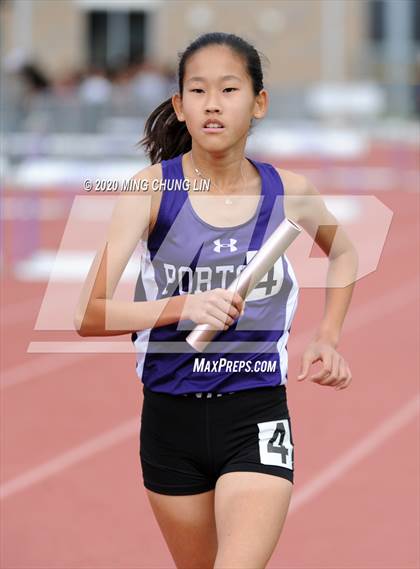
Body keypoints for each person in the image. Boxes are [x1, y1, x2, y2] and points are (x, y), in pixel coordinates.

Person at [75, 32, 358, 569]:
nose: (213, 103)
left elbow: (344, 255)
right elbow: (87, 315)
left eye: (229, 89)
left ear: (259, 103)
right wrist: (184, 306)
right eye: (198, 90)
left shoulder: (289, 191)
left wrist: (327, 336)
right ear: (180, 106)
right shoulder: (150, 191)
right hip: (168, 417)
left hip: (254, 413)